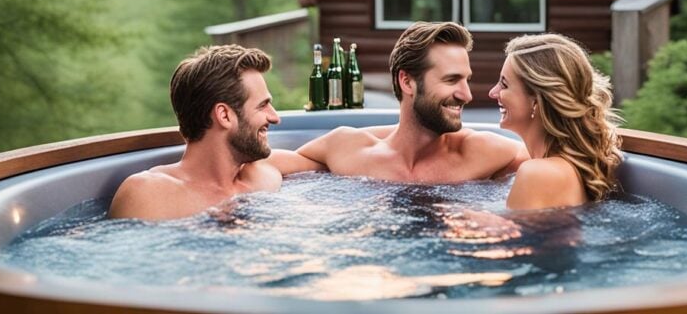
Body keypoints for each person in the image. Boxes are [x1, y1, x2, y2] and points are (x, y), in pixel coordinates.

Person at [296, 22, 528, 182]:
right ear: (407, 82)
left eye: (466, 80)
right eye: (451, 80)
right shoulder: (348, 149)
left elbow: (557, 165)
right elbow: (268, 166)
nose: (466, 95)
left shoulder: (483, 153)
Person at [108, 45, 320, 220]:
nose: (275, 117)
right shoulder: (149, 194)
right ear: (224, 116)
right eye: (262, 105)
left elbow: (332, 151)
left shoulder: (263, 172)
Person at [488, 33, 623, 209]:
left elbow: (517, 236)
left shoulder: (537, 174)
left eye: (504, 84)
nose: (493, 92)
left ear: (536, 101)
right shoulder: (566, 167)